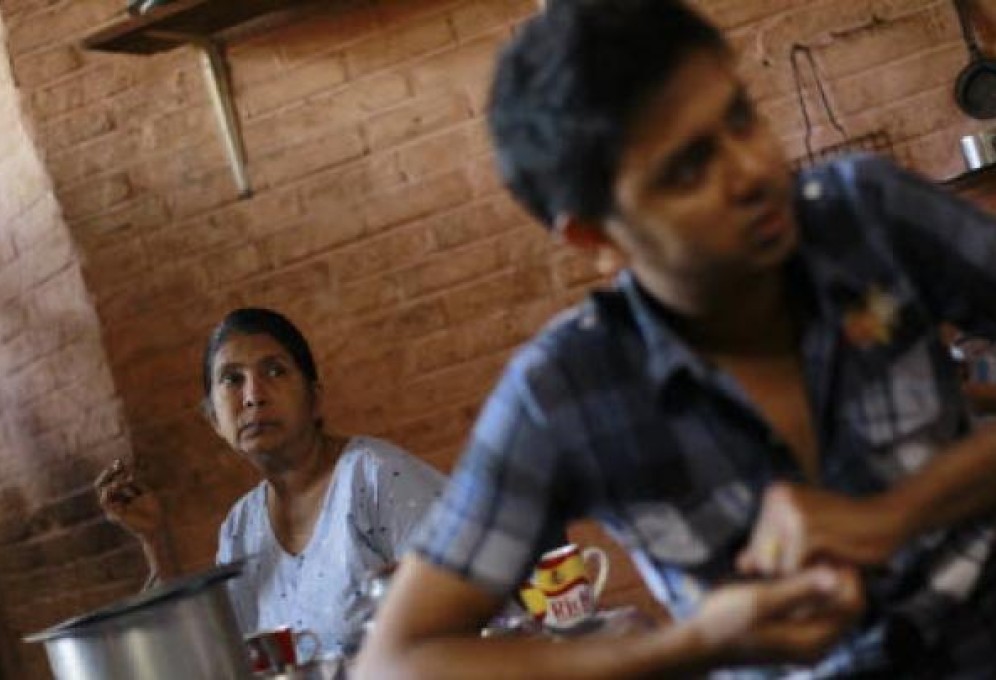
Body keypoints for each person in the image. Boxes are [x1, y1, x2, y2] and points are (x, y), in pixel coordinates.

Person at [355, 0, 996, 677]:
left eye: (741, 117)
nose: (750, 171)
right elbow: (395, 663)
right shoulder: (567, 390)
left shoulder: (866, 215)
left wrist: (895, 515)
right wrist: (693, 645)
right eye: (688, 169)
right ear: (596, 238)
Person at [96, 307, 445, 657]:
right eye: (232, 380)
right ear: (214, 420)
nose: (253, 396)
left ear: (315, 400)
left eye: (275, 371)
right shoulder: (240, 528)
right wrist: (156, 539)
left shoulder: (376, 478)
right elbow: (227, 655)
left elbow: (464, 606)